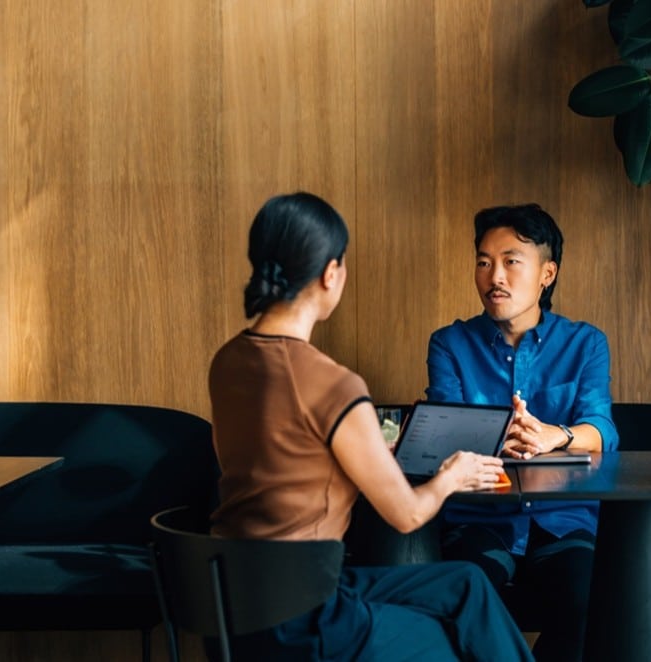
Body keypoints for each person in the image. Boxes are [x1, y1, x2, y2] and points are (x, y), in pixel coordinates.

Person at [209, 192, 535, 662]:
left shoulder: (229, 360)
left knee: (466, 584)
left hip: (233, 600)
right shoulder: (333, 385)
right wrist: (454, 477)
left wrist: (362, 447)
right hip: (305, 616)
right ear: (330, 274)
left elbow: (278, 457)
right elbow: (406, 515)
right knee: (457, 639)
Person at [426, 203, 619, 662]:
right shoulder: (449, 344)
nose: (495, 276)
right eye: (484, 261)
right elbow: (441, 428)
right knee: (463, 596)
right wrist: (495, 439)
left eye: (512, 261)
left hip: (562, 519)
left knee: (587, 600)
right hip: (480, 519)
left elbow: (602, 429)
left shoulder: (585, 343)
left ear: (546, 273)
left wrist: (556, 435)